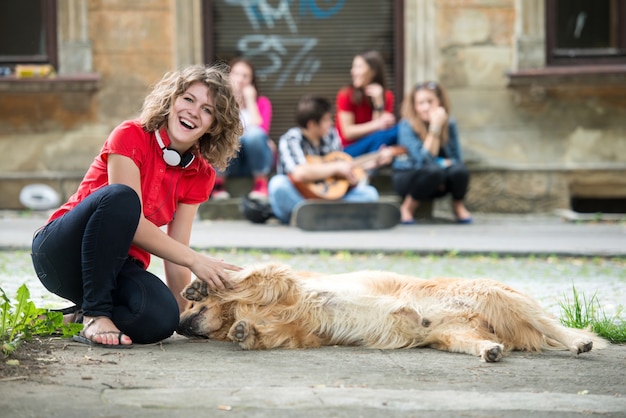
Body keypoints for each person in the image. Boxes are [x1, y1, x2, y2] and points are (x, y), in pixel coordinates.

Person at [30, 64, 244, 348]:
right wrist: (195, 259)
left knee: (161, 319)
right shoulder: (130, 135)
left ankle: (68, 319)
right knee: (121, 198)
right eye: (188, 99)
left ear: (215, 125)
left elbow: (175, 250)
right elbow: (130, 221)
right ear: (171, 101)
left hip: (116, 268)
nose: (194, 111)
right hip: (62, 252)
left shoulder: (201, 174)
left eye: (207, 110)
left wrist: (185, 314)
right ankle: (96, 314)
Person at [268, 95, 379, 224]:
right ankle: (330, 216)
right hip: (300, 196)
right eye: (326, 120)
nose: (330, 123)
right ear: (312, 124)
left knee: (370, 194)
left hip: (330, 197)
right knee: (277, 185)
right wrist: (336, 168)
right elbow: (299, 173)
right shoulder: (290, 139)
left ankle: (318, 217)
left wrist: (355, 173)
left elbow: (340, 173)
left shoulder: (331, 135)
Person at [392, 81, 472, 225]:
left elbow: (456, 159)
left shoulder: (450, 123)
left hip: (438, 180)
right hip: (409, 177)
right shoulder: (406, 125)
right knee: (433, 171)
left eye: (430, 101)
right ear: (414, 106)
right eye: (421, 103)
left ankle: (458, 206)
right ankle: (407, 208)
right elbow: (422, 161)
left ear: (439, 102)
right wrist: (435, 128)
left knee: (460, 171)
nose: (426, 107)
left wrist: (442, 169)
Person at [212, 57, 274, 201]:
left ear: (251, 81)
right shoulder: (219, 101)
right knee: (224, 133)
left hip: (253, 162)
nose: (240, 79)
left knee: (254, 135)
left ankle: (260, 183)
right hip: (229, 162)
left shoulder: (262, 103)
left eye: (245, 76)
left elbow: (260, 132)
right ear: (228, 76)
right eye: (236, 74)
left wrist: (250, 100)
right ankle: (218, 183)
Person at [335, 50, 398, 160]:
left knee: (398, 130)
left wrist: (378, 104)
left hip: (374, 144)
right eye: (353, 67)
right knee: (388, 134)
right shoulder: (345, 95)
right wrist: (378, 124)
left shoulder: (387, 96)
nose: (353, 71)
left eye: (359, 67)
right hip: (347, 149)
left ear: (373, 71)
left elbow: (379, 132)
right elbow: (347, 133)